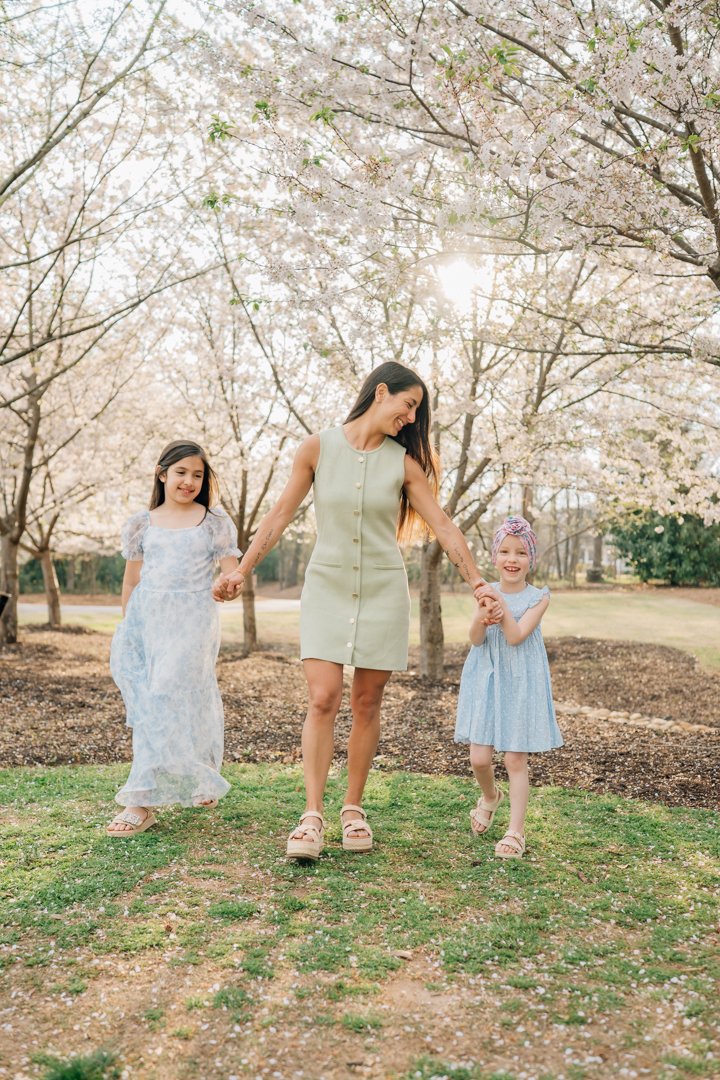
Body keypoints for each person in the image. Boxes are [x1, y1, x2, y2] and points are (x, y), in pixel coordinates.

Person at [213, 362, 500, 860]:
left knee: (367, 703)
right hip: (326, 586)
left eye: (417, 412)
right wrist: (241, 569)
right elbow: (280, 516)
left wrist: (477, 580)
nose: (411, 419)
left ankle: (352, 808)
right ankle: (311, 815)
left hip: (384, 591)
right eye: (408, 405)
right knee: (323, 697)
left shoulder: (404, 464)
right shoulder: (317, 447)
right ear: (381, 392)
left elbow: (445, 527)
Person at [106, 440, 240, 837]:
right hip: (148, 622)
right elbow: (132, 580)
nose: (189, 481)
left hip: (193, 620)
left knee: (174, 694)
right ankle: (191, 780)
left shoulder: (213, 521)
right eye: (181, 472)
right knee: (153, 699)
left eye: (197, 475)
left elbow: (231, 575)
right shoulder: (141, 523)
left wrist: (229, 587)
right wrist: (130, 628)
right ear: (162, 473)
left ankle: (140, 801)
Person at [454, 515, 563, 859]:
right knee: (479, 757)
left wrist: (501, 613)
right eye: (504, 551)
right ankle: (490, 797)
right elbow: (475, 639)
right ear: (494, 556)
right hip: (486, 677)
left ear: (531, 558)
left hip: (519, 680)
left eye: (520, 553)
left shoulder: (538, 597)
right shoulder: (485, 591)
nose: (512, 559)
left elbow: (515, 637)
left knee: (515, 758)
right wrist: (481, 614)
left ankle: (516, 831)